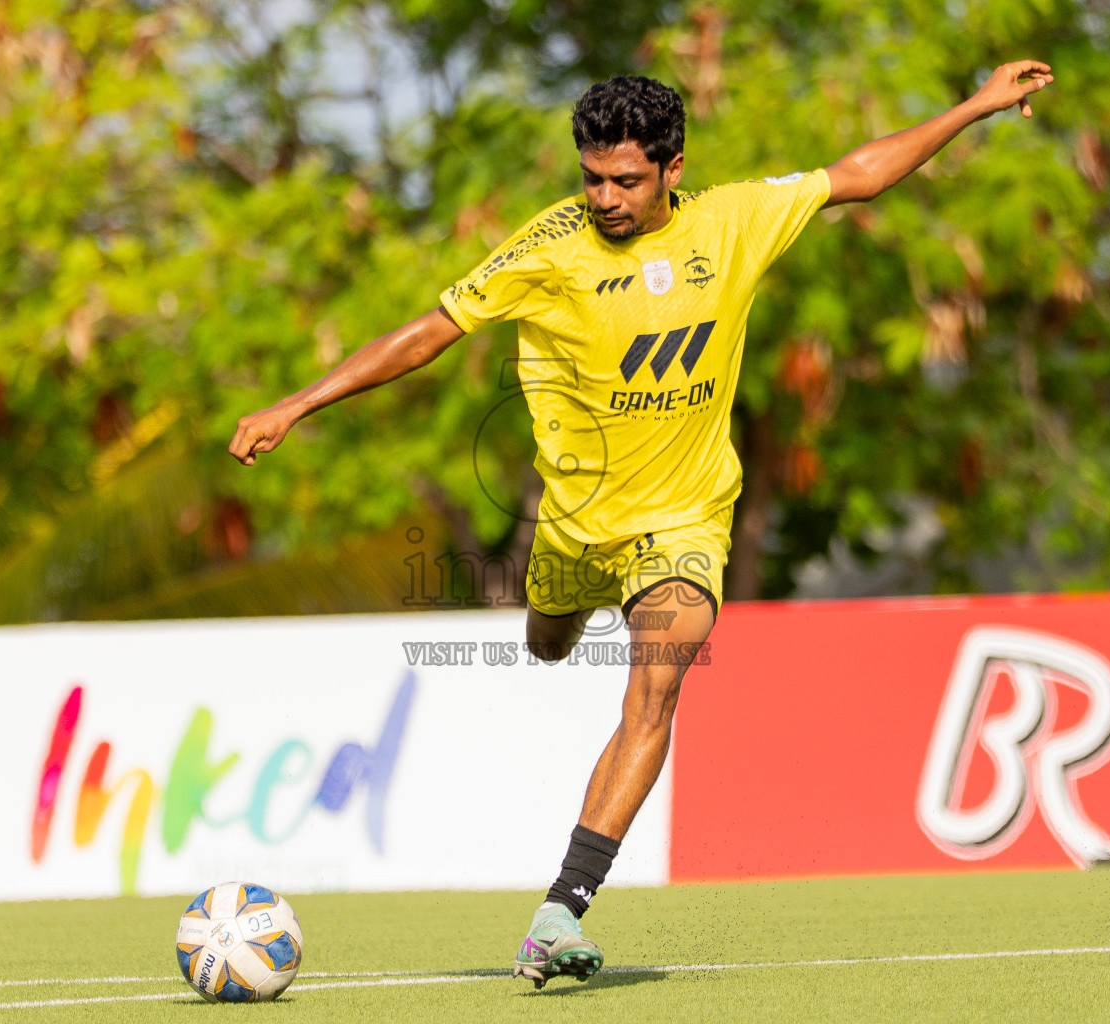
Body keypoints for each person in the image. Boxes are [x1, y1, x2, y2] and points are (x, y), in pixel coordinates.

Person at [228, 63, 1053, 989]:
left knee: (657, 685)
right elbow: (429, 331)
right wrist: (296, 405)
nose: (604, 198)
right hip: (575, 528)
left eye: (625, 180)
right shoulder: (549, 246)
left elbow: (857, 173)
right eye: (592, 177)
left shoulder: (733, 220)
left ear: (672, 170)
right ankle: (559, 617)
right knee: (545, 644)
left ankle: (559, 911)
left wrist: (977, 107)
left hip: (686, 522)